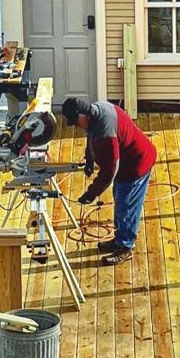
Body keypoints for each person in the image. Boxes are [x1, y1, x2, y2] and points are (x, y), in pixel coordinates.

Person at [61, 97, 157, 265]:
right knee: (120, 201)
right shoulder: (97, 111)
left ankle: (125, 247)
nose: (76, 126)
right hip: (127, 165)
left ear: (84, 114)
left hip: (136, 165)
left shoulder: (105, 130)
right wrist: (89, 160)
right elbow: (91, 137)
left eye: (76, 122)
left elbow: (110, 169)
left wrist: (92, 193)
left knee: (126, 206)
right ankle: (120, 239)